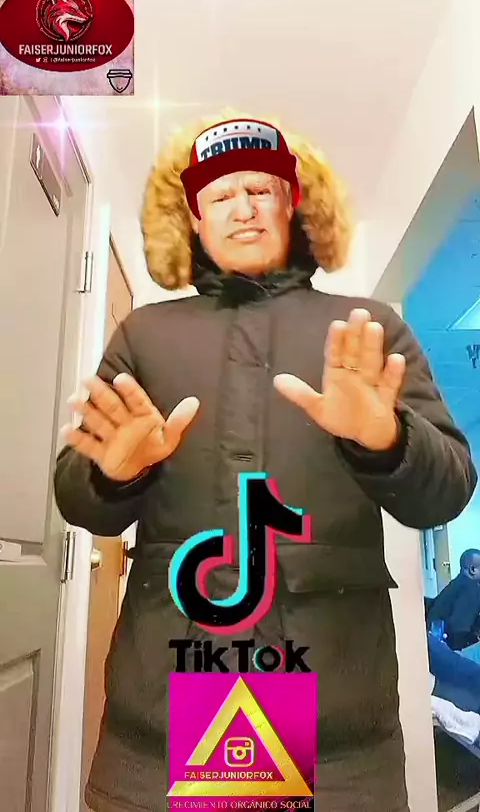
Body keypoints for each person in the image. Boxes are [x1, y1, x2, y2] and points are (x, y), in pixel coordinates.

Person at [54, 113, 477, 812]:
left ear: (294, 203)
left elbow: (449, 490)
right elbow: (76, 497)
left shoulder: (369, 329)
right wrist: (112, 473)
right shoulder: (144, 335)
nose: (244, 207)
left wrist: (387, 439)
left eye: (261, 189)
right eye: (221, 194)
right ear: (194, 218)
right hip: (157, 728)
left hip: (339, 739)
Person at [427, 549, 480, 651]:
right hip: (447, 648)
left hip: (433, 642)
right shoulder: (472, 589)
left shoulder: (455, 584)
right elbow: (459, 630)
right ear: (473, 569)